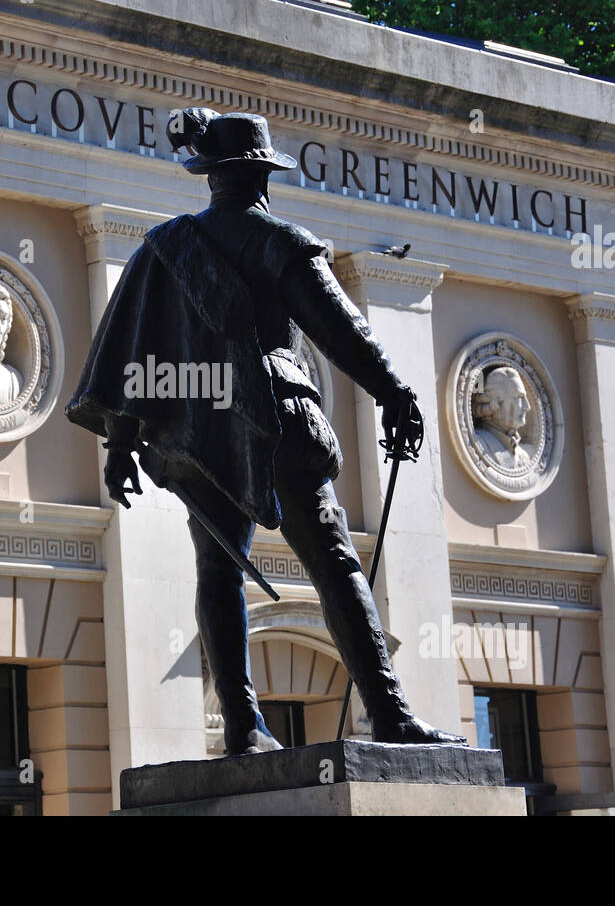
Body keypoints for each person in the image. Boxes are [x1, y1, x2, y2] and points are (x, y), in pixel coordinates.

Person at [66, 107, 464, 753]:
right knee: (334, 561)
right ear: (262, 175)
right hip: (280, 418)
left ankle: (243, 726)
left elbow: (131, 349)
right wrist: (394, 393)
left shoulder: (163, 248)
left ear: (209, 176)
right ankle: (388, 712)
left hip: (203, 433)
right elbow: (342, 332)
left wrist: (119, 443)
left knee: (216, 570)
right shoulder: (281, 241)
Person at [472, 366, 535, 469]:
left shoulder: (523, 456)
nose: (527, 406)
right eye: (519, 397)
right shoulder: (479, 442)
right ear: (497, 402)